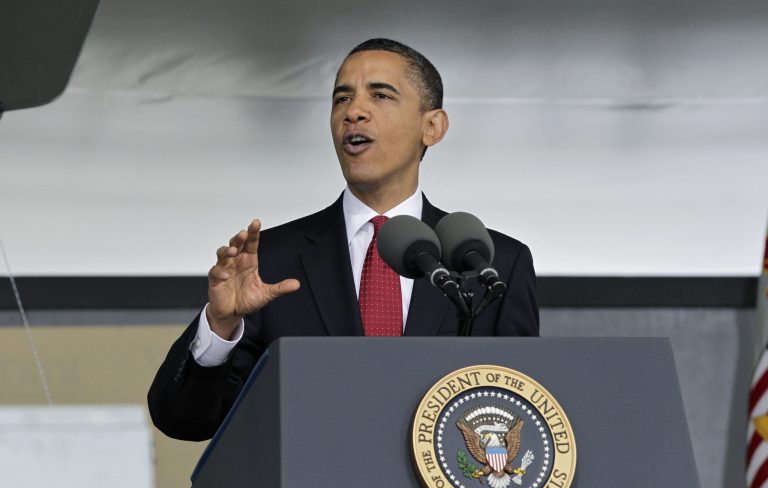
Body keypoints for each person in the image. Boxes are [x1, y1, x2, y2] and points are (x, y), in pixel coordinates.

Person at [148, 38, 539, 441]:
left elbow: (521, 414)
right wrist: (221, 324)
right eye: (341, 99)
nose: (354, 112)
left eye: (381, 95)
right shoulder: (272, 261)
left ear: (432, 126)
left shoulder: (488, 263)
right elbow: (184, 421)